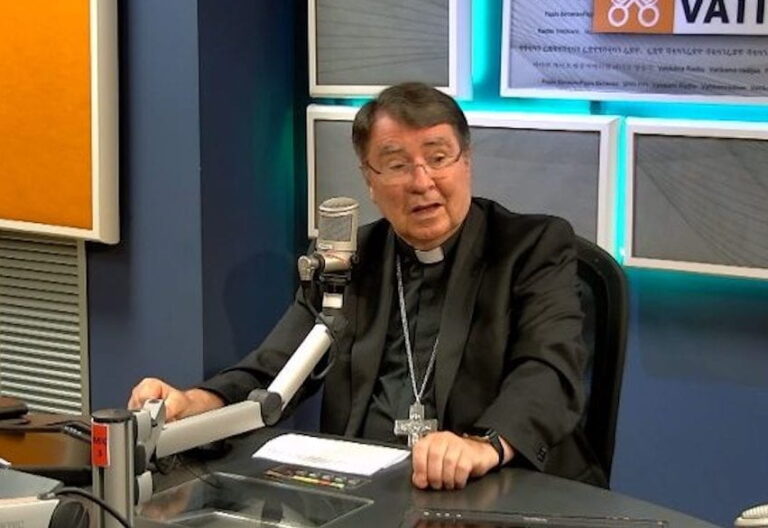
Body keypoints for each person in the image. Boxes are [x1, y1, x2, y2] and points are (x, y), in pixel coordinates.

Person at [130, 82, 605, 490]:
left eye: (438, 158)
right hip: (369, 492)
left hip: (502, 488)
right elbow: (277, 371)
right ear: (370, 181)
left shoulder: (532, 246)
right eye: (396, 165)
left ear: (466, 162)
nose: (422, 181)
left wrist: (483, 445)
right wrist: (196, 404)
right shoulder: (347, 260)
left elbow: (548, 369)